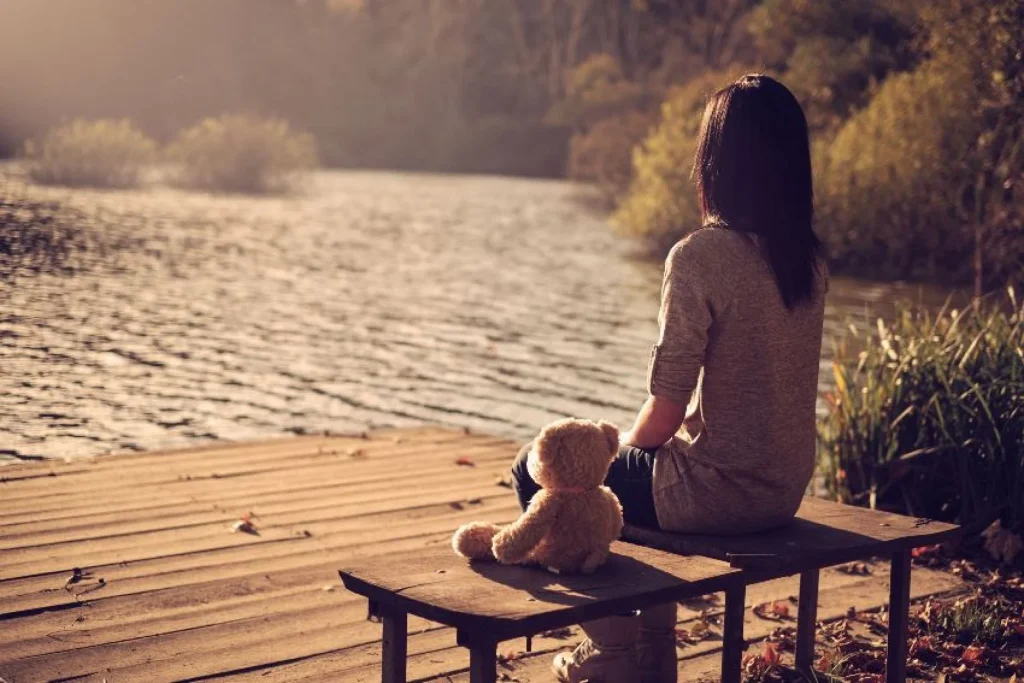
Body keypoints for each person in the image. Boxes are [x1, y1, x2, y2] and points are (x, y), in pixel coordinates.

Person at [511, 74, 828, 682]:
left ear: (717, 162)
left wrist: (611, 459)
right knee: (625, 478)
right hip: (781, 488)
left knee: (538, 467)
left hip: (716, 495)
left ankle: (611, 648)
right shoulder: (808, 260)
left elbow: (661, 413)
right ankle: (654, 647)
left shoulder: (701, 256)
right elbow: (752, 389)